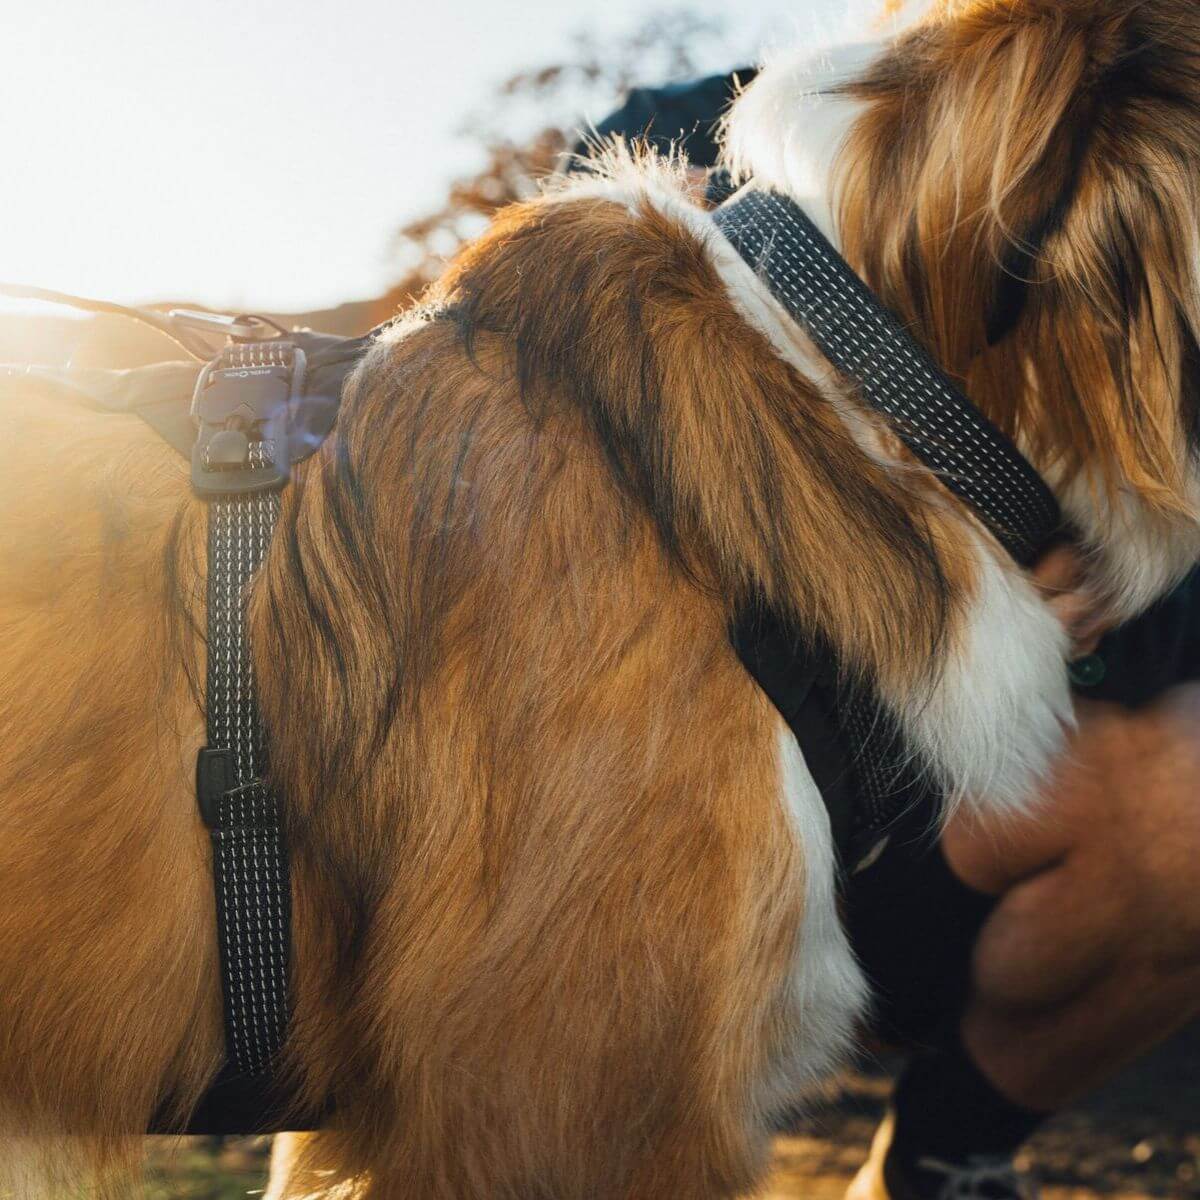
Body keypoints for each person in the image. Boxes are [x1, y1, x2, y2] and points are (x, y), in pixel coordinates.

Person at [577, 75, 1200, 1200]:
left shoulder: (1136, 174)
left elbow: (1164, 601)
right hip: (648, 791)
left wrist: (1086, 593)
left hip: (931, 817)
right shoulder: (690, 123)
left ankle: (943, 1159)